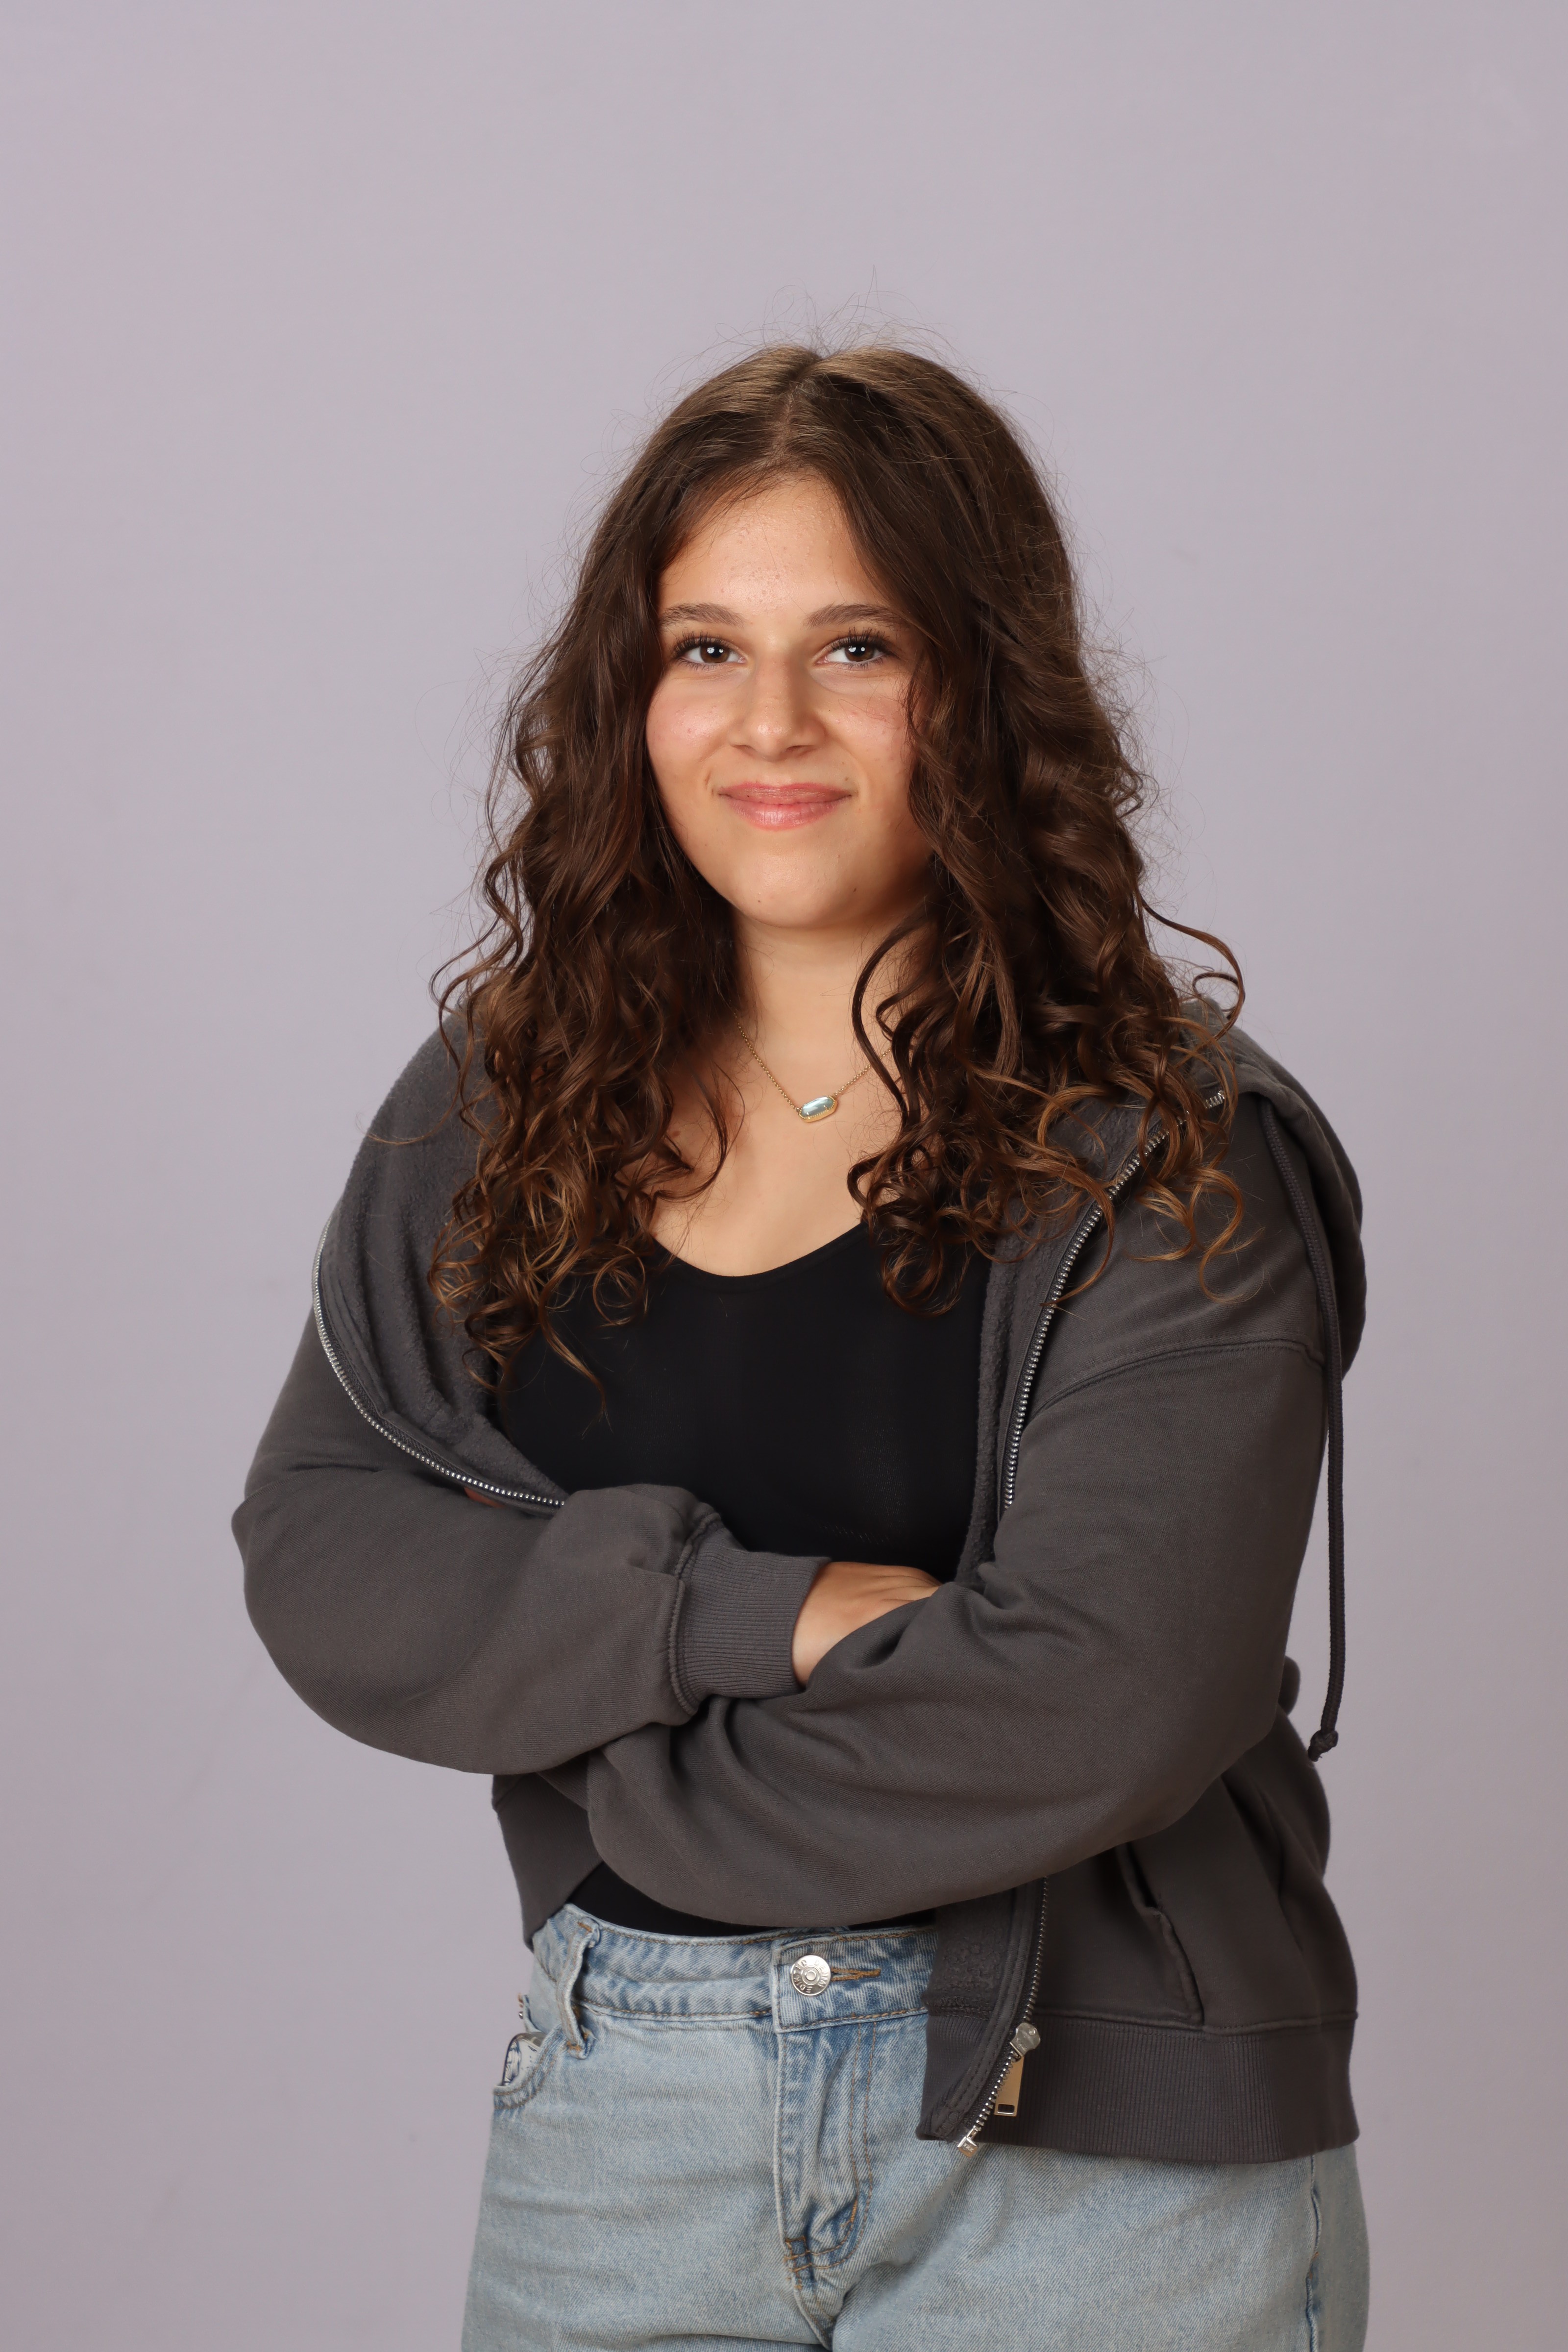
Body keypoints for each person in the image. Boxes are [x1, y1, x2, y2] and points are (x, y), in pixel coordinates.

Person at [235, 344, 1370, 2349]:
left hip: (1093, 2160)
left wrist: (621, 1768)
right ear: (629, 696)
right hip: (623, 2126)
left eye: (857, 647)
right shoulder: (509, 1095)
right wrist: (742, 1618)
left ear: (983, 688)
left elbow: (1107, 1700)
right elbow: (328, 1550)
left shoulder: (1170, 1149)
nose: (768, 723)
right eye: (704, 649)